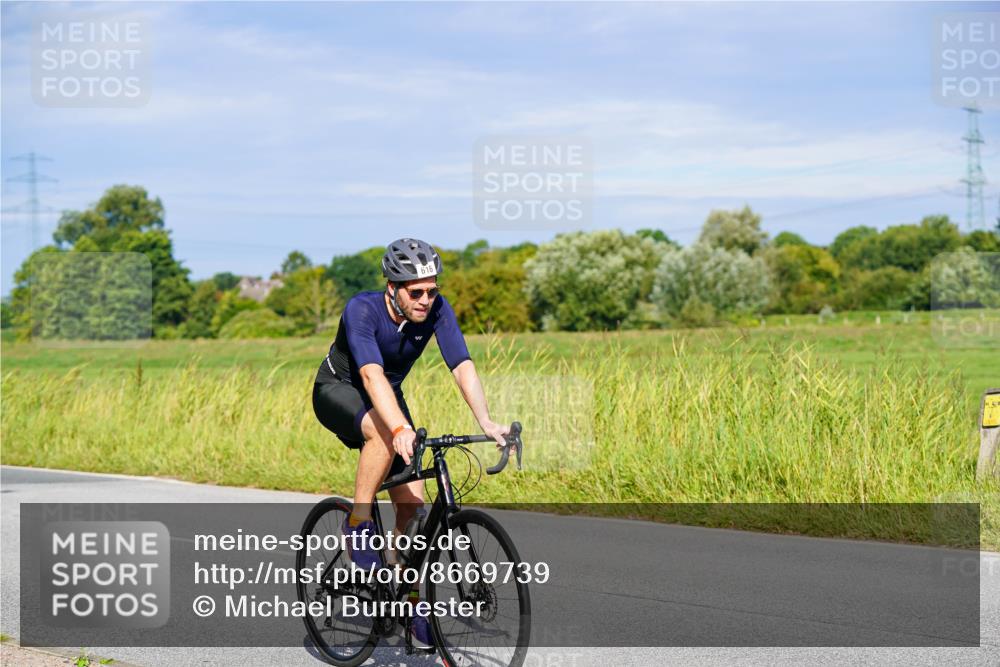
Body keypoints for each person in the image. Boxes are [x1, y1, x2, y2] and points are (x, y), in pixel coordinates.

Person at [312, 237, 509, 648]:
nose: (425, 299)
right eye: (415, 292)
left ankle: (408, 604)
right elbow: (370, 376)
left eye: (431, 290)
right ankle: (357, 523)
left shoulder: (437, 310)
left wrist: (486, 420)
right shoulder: (362, 309)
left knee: (414, 510)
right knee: (386, 436)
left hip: (387, 395)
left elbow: (462, 365)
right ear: (393, 289)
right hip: (341, 388)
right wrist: (399, 428)